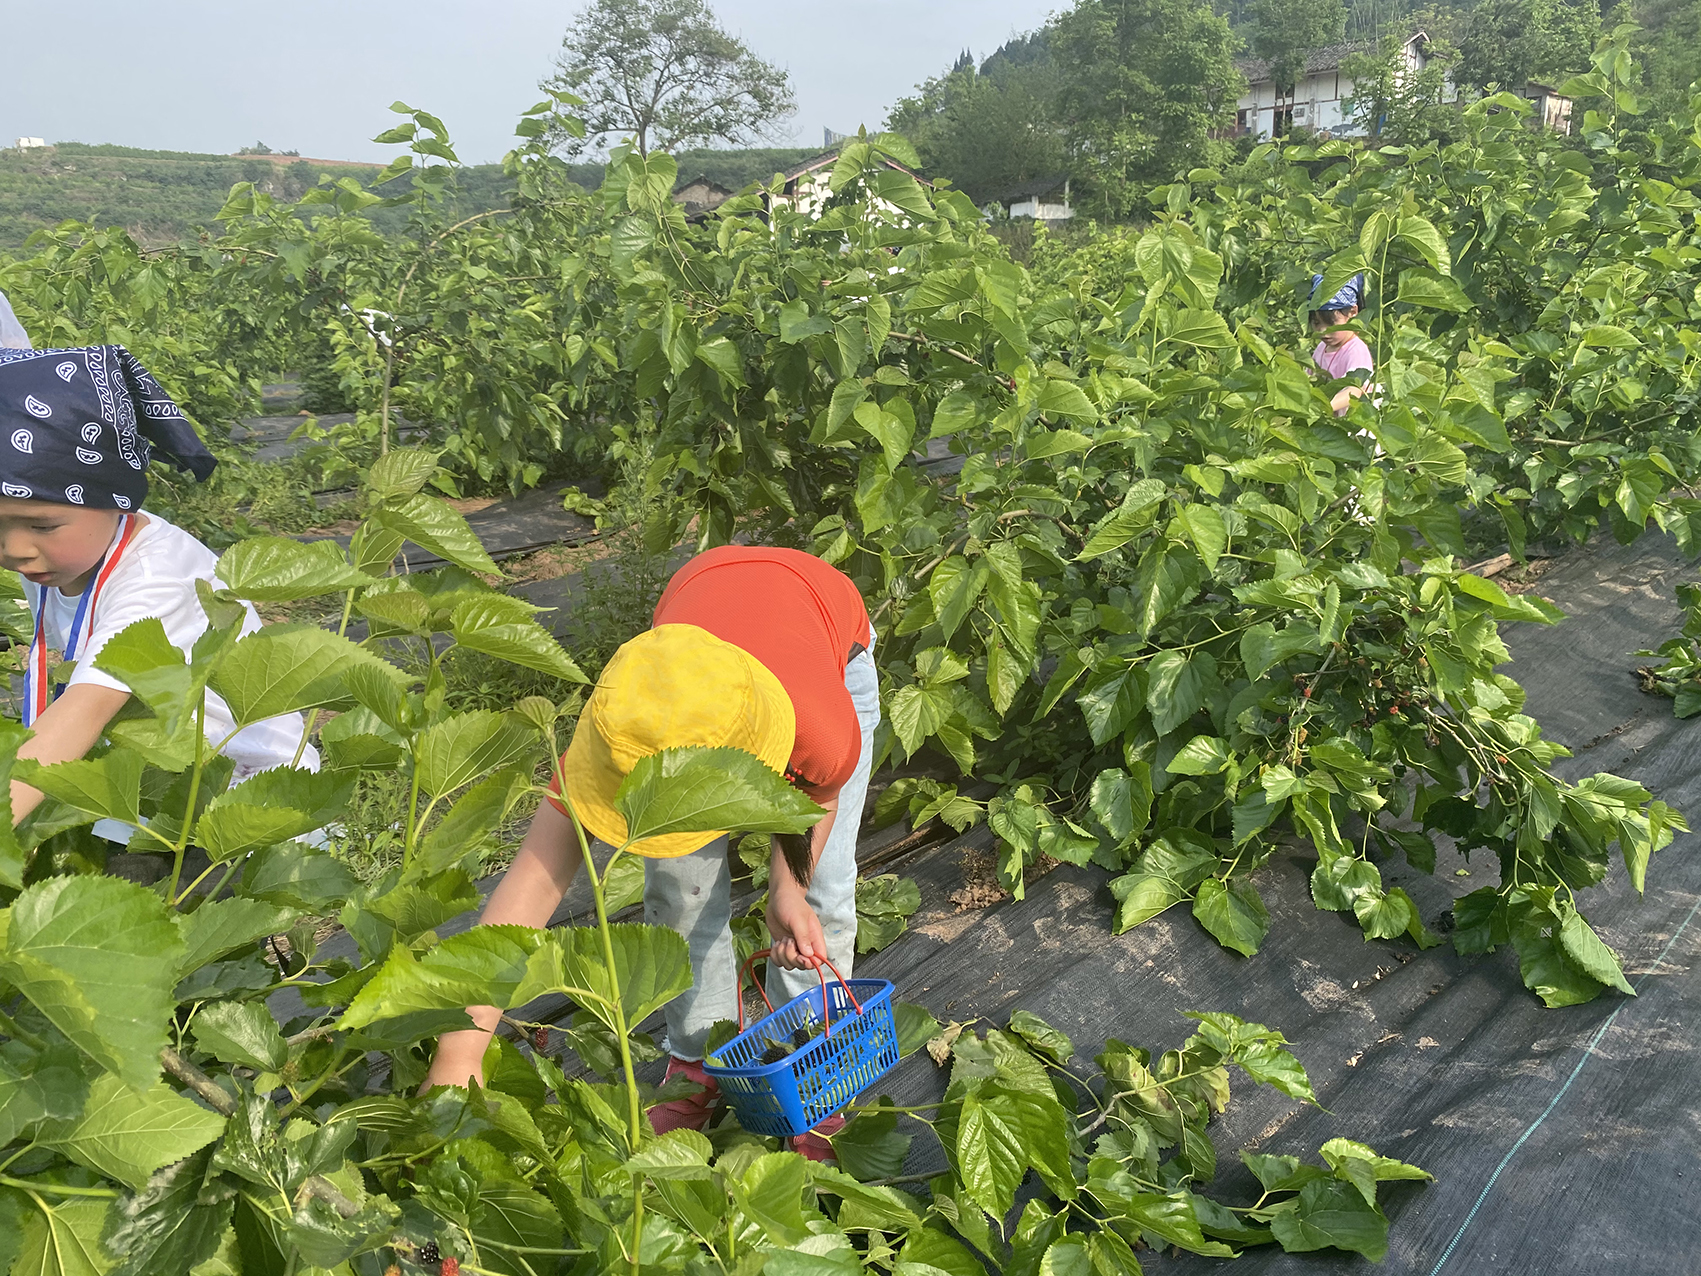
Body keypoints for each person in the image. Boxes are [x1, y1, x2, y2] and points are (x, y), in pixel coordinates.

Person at [425, 545, 880, 1161]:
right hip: (703, 614)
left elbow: (814, 800)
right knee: (679, 896)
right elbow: (529, 886)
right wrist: (460, 1052)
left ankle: (811, 1074)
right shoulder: (629, 719)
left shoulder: (824, 731)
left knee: (820, 900)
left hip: (828, 639)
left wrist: (786, 888)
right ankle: (697, 1061)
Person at [0, 345, 319, 837]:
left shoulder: (156, 580)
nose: (15, 549)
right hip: (156, 773)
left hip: (243, 792)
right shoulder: (60, 557)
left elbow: (82, 713)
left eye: (42, 525)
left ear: (113, 498)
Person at [1309, 273, 1373, 416]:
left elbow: (1356, 389)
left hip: (1353, 429)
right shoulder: (1321, 348)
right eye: (1317, 323)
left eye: (1331, 323)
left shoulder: (1356, 350)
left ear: (1352, 312)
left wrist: (1324, 407)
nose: (1323, 331)